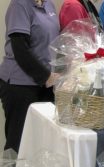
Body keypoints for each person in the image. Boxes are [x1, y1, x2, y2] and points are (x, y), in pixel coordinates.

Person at [0, 0, 60, 152]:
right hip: (20, 85)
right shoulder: (19, 5)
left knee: (41, 143)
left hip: (45, 85)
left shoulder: (49, 5)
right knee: (18, 143)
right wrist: (46, 76)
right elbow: (20, 49)